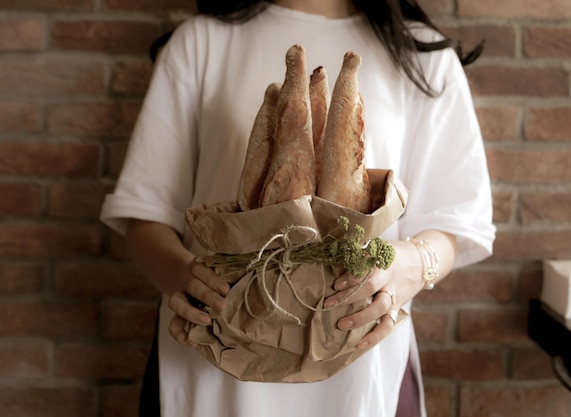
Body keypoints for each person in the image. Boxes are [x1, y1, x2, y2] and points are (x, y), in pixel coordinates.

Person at [100, 1, 496, 416]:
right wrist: (182, 275)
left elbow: (454, 220)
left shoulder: (423, 55)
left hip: (361, 365)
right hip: (215, 358)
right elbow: (146, 215)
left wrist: (409, 265)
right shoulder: (202, 42)